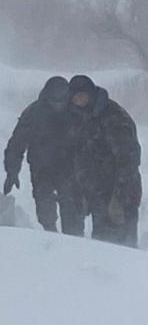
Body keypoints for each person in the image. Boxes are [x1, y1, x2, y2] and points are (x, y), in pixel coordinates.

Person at [4, 76, 85, 235]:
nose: (58, 105)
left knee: (73, 210)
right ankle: (49, 237)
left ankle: (75, 242)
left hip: (71, 170)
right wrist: (12, 171)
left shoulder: (77, 112)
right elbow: (17, 143)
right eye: (54, 101)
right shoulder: (34, 113)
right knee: (45, 208)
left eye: (61, 101)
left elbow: (90, 141)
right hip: (42, 170)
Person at [67, 75, 142, 248]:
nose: (78, 100)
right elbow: (84, 157)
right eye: (74, 97)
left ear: (91, 94)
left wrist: (119, 198)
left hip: (121, 195)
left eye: (81, 95)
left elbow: (128, 160)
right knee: (102, 249)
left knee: (123, 250)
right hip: (99, 197)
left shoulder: (113, 117)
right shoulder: (85, 117)